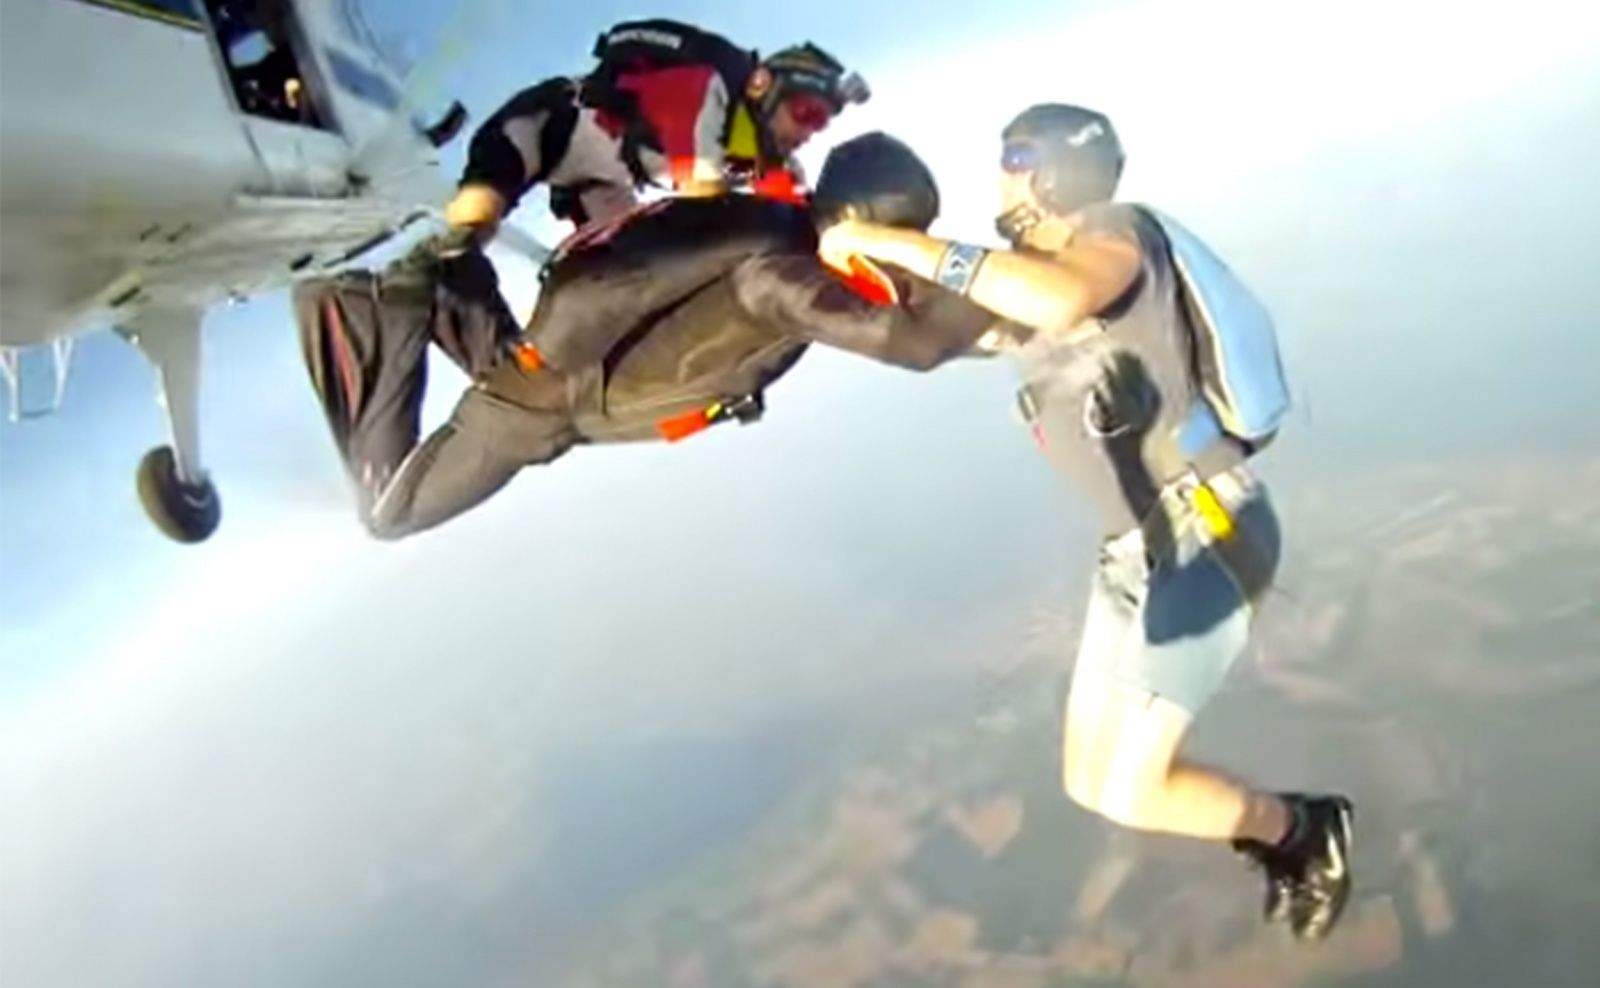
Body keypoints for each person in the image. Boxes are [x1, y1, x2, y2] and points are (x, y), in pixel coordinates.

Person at [817, 104, 1354, 941]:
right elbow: (935, 333)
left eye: (1016, 154)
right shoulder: (1036, 276)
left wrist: (892, 242)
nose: (1001, 172)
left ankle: (1300, 831)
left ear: (1059, 169)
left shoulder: (1111, 233)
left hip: (1204, 532)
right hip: (1138, 554)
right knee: (1095, 784)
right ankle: (1294, 831)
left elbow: (1063, 298)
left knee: (1132, 786)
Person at [296, 133, 994, 540]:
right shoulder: (779, 273)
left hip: (563, 373)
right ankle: (358, 308)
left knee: (523, 379)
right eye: (895, 237)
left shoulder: (762, 224)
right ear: (862, 218)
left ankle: (445, 283)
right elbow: (917, 346)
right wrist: (1004, 284)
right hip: (542, 404)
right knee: (389, 515)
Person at [444, 19, 869, 235]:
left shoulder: (759, 153)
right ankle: (427, 273)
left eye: (822, 124)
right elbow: (701, 194)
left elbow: (796, 214)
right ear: (764, 87)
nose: (810, 132)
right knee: (477, 219)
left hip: (601, 182)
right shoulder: (707, 86)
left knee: (627, 275)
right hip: (546, 122)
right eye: (805, 113)